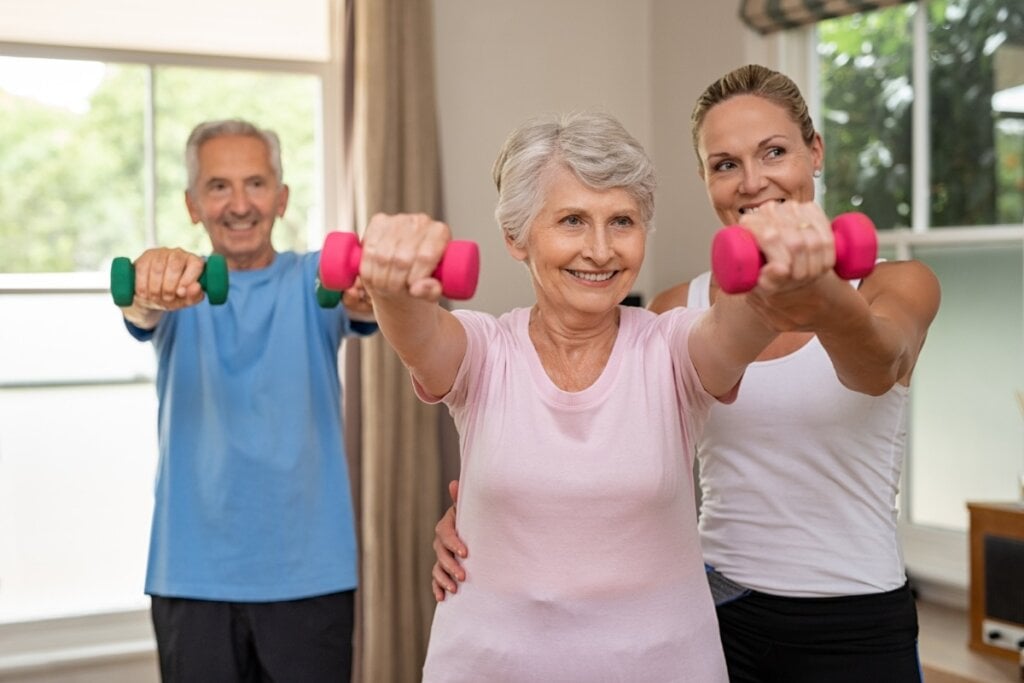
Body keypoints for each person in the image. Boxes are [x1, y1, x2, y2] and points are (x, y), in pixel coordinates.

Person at [431, 65, 941, 683]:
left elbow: (876, 366)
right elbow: (606, 455)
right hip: (716, 608)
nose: (752, 183)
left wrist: (821, 291)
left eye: (774, 152)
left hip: (853, 611)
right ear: (704, 179)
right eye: (725, 164)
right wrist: (494, 518)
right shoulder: (676, 310)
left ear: (815, 153)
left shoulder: (896, 283)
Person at [359, 110, 849, 682]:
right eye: (572, 220)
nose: (601, 249)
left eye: (622, 221)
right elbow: (419, 334)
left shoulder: (672, 347)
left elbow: (740, 325)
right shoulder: (484, 350)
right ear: (516, 238)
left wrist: (782, 272)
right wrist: (391, 282)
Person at [119, 119, 376, 683]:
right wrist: (144, 287)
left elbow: (363, 304)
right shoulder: (177, 288)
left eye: (256, 184)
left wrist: (376, 288)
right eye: (218, 186)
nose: (239, 204)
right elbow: (140, 308)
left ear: (281, 199)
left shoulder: (315, 281)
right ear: (192, 204)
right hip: (192, 575)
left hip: (309, 574)